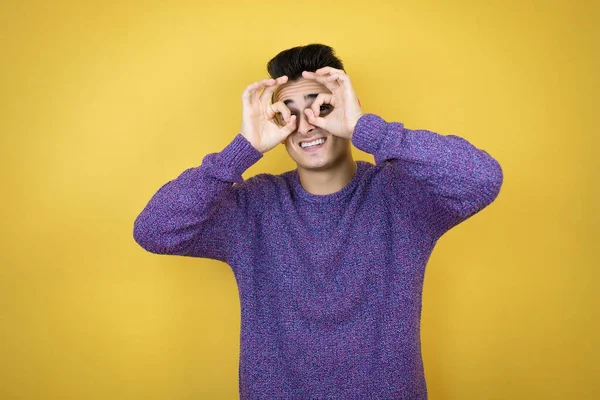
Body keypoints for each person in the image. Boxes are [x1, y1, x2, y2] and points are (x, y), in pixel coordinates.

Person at [133, 44, 504, 399]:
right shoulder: (252, 208)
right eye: (288, 113)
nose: (306, 126)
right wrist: (243, 148)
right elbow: (154, 230)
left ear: (348, 108)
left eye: (320, 108)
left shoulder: (402, 196)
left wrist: (367, 129)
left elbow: (482, 178)